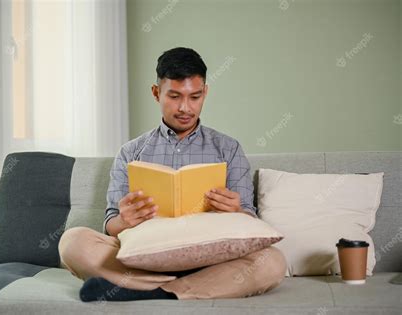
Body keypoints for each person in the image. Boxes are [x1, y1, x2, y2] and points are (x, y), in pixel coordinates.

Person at [59, 47, 286, 302]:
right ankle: (182, 287)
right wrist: (125, 219)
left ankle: (153, 291)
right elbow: (111, 224)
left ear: (205, 93)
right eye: (175, 96)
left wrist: (237, 211)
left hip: (212, 259)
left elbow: (249, 220)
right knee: (73, 241)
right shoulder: (131, 152)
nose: (185, 108)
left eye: (195, 97)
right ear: (156, 93)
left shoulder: (228, 149)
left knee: (272, 261)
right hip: (145, 258)